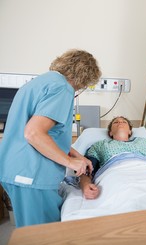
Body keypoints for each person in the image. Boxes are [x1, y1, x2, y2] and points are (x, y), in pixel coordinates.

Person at [0, 49, 101, 227]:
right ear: (84, 76)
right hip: (32, 173)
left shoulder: (40, 83)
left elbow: (49, 133)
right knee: (40, 240)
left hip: (16, 168)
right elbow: (33, 133)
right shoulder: (63, 88)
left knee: (31, 234)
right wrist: (71, 163)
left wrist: (76, 155)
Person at [80, 116, 146, 199]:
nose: (120, 122)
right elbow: (87, 170)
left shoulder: (145, 143)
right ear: (110, 132)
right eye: (116, 122)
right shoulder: (99, 145)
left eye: (123, 122)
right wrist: (85, 185)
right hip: (115, 173)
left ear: (130, 131)